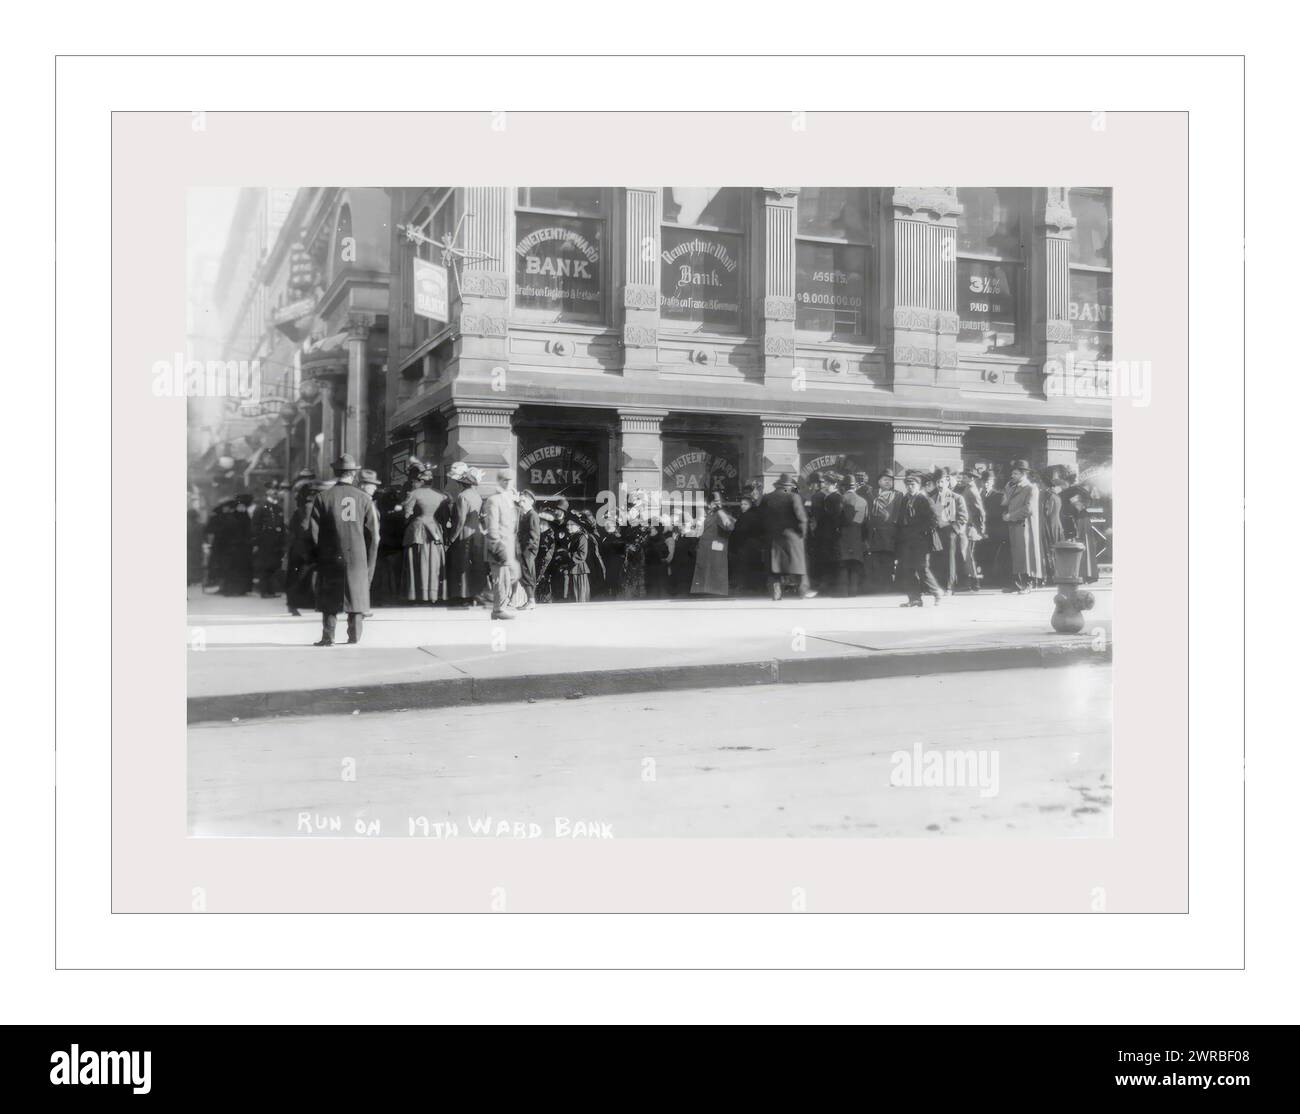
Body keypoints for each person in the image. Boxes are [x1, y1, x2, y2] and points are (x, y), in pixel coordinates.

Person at [307, 454, 378, 645]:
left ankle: (328, 637)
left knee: (330, 595)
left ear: (335, 472)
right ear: (353, 474)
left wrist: (318, 556)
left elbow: (313, 533)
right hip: (357, 555)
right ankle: (354, 636)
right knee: (355, 593)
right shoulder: (364, 498)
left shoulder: (323, 497)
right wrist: (369, 559)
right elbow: (373, 535)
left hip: (330, 555)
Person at [760, 473, 816, 601]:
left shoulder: (767, 498)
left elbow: (760, 518)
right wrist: (803, 534)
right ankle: (803, 591)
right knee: (800, 566)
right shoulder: (793, 497)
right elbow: (801, 518)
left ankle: (776, 592)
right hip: (792, 537)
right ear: (789, 486)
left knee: (775, 567)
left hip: (773, 537)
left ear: (778, 485)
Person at [896, 471, 943, 607]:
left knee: (922, 568)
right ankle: (914, 598)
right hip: (907, 540)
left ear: (919, 485)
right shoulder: (905, 499)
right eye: (908, 484)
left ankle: (936, 592)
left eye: (913, 484)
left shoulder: (924, 499)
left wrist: (920, 531)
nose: (910, 487)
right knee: (908, 569)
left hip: (921, 540)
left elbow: (934, 519)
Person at [401, 468, 447, 604]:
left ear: (421, 480)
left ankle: (417, 594)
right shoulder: (440, 495)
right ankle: (432, 594)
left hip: (418, 529)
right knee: (434, 560)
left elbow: (407, 514)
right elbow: (443, 516)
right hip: (434, 529)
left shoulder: (414, 493)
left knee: (417, 559)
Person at [444, 462, 487, 606]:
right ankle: (475, 595)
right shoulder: (477, 496)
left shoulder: (462, 497)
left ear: (460, 483)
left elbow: (460, 520)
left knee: (462, 564)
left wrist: (451, 538)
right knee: (476, 564)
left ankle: (463, 596)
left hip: (464, 533)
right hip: (477, 533)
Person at [482, 470, 521, 620]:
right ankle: (498, 609)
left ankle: (499, 605)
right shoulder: (494, 500)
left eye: (510, 480)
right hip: (498, 545)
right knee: (501, 579)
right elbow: (492, 526)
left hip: (508, 545)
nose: (508, 482)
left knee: (509, 577)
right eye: (504, 480)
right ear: (498, 481)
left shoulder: (508, 499)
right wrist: (497, 546)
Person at [1001, 459, 1043, 593]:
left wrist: (1011, 516)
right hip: (1014, 525)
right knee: (1017, 555)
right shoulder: (1012, 487)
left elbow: (1028, 508)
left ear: (1024, 474)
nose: (1012, 476)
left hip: (1025, 525)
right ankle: (1018, 583)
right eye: (1013, 473)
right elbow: (1005, 503)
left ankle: (1028, 583)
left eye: (1016, 473)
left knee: (1026, 555)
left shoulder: (1031, 488)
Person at [284, 482, 319, 616]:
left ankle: (293, 604)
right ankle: (294, 604)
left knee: (297, 576)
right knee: (300, 577)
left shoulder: (303, 507)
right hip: (305, 548)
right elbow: (307, 529)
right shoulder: (309, 507)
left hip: (298, 547)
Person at [690, 492, 735, 596]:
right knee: (705, 577)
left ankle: (713, 593)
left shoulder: (721, 514)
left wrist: (720, 511)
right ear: (709, 503)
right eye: (715, 502)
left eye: (719, 501)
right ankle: (705, 592)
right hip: (706, 551)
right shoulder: (709, 514)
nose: (718, 504)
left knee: (713, 577)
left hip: (715, 551)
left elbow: (730, 527)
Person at [1059, 469, 1100, 583]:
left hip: (1080, 520)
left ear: (1067, 481)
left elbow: (1087, 502)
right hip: (1070, 520)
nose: (1061, 485)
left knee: (1082, 544)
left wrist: (1076, 504)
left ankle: (1086, 574)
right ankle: (1075, 574)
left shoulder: (1078, 490)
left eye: (1062, 482)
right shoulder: (1064, 492)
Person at [865, 471, 901, 591]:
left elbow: (898, 514)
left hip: (890, 532)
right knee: (875, 559)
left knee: (888, 559)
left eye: (890, 480)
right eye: (885, 479)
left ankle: (888, 585)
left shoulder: (898, 495)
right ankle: (876, 585)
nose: (888, 482)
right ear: (879, 481)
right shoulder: (871, 494)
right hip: (874, 532)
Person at [834, 474, 868, 597]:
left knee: (844, 563)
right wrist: (864, 538)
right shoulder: (863, 501)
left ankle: (843, 592)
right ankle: (853, 592)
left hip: (843, 535)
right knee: (855, 563)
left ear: (844, 487)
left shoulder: (841, 499)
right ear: (855, 487)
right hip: (857, 535)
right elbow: (865, 522)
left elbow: (837, 519)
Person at [953, 470, 986, 592]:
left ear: (971, 478)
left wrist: (981, 529)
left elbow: (980, 511)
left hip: (970, 527)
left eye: (965, 477)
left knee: (968, 556)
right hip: (966, 526)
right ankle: (970, 582)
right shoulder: (966, 488)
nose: (963, 479)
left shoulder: (972, 490)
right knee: (966, 555)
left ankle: (973, 582)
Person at [728, 493, 765, 596]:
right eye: (741, 504)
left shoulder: (746, 516)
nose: (742, 506)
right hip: (754, 545)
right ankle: (755, 587)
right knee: (753, 566)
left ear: (750, 505)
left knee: (743, 566)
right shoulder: (755, 515)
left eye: (745, 504)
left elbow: (740, 531)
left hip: (745, 545)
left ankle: (742, 587)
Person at [219, 493, 255, 596]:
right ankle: (234, 589)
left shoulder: (238, 516)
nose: (242, 508)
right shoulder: (238, 517)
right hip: (236, 547)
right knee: (236, 569)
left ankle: (238, 589)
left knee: (238, 569)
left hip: (239, 547)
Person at [515, 490, 542, 610]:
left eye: (524, 501)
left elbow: (534, 535)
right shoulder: (526, 515)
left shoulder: (532, 515)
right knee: (525, 575)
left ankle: (531, 601)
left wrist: (525, 550)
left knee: (527, 575)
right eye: (520, 500)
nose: (521, 503)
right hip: (525, 550)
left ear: (531, 501)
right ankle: (530, 600)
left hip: (528, 551)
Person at [1039, 468, 1066, 582]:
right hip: (1057, 525)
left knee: (1049, 550)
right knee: (1056, 551)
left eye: (1041, 484)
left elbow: (1047, 512)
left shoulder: (1048, 496)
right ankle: (1057, 574)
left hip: (1049, 526)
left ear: (1046, 485)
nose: (1040, 486)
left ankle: (1051, 576)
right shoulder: (1057, 496)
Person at [186, 507, 205, 586]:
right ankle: (196, 579)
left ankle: (189, 579)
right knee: (196, 563)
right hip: (197, 548)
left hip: (188, 549)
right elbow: (204, 538)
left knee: (188, 564)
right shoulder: (200, 526)